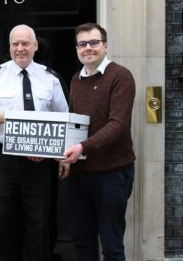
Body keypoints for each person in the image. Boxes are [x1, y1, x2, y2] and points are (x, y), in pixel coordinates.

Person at [0, 24, 69, 261]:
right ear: (9, 47)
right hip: (3, 161)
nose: (20, 49)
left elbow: (64, 119)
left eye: (25, 43)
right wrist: (18, 118)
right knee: (1, 221)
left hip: (39, 163)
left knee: (39, 222)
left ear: (35, 46)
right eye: (15, 44)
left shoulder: (51, 78)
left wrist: (56, 153)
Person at [60, 23, 135, 261]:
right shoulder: (75, 79)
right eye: (82, 44)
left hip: (112, 174)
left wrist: (82, 147)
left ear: (105, 45)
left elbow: (118, 125)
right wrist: (64, 157)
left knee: (112, 245)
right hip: (80, 174)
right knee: (82, 242)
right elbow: (73, 123)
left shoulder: (120, 76)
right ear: (77, 49)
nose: (88, 48)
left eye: (94, 43)